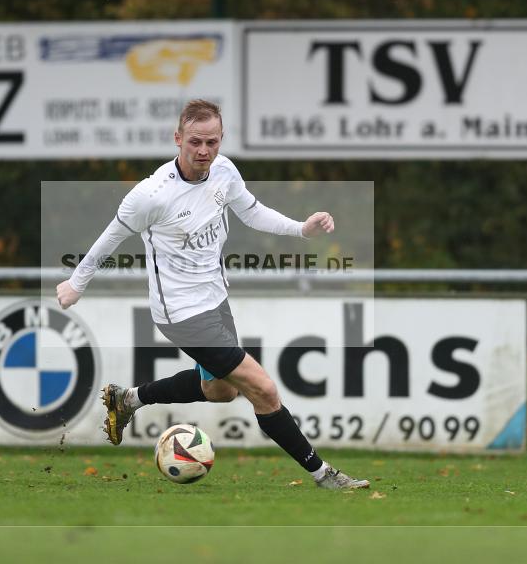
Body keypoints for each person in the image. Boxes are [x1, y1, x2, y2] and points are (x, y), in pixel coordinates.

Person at [56, 99, 369, 490]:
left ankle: (129, 399)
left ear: (221, 140)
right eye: (195, 142)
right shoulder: (151, 194)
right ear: (177, 139)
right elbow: (110, 237)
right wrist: (77, 283)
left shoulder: (223, 171)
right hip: (181, 313)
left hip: (215, 299)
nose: (204, 151)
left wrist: (301, 230)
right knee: (264, 390)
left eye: (212, 142)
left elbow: (252, 211)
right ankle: (324, 475)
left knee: (220, 391)